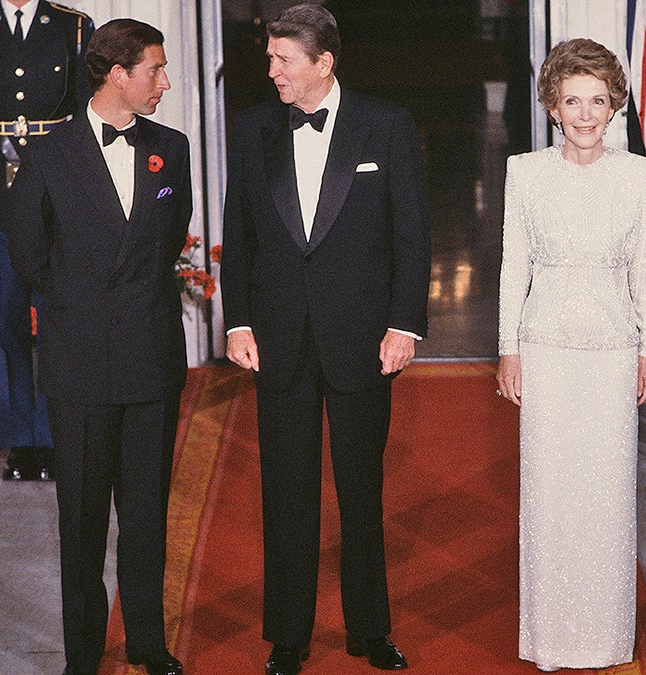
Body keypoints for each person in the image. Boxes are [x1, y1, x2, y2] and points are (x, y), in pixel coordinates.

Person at [219, 5, 429, 674]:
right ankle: (288, 633)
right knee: (285, 490)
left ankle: (372, 627)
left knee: (361, 489)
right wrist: (239, 319)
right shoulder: (252, 128)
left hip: (364, 339)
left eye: (283, 59)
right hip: (277, 338)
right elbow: (240, 236)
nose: (271, 69)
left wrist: (406, 323)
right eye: (272, 57)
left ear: (323, 64)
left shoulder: (386, 125)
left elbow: (411, 235)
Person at [6, 18, 189, 675]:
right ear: (118, 74)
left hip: (150, 360)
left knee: (145, 518)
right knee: (81, 524)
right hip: (79, 363)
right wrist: (85, 303)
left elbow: (169, 240)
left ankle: (148, 641)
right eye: (154, 71)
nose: (164, 82)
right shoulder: (48, 155)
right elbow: (27, 253)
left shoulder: (173, 147)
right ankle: (83, 652)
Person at [496, 38, 646, 673]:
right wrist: (508, 348)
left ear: (615, 104)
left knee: (608, 494)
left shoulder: (638, 174)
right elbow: (516, 266)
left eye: (597, 100)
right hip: (545, 348)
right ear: (553, 107)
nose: (586, 114)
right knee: (549, 493)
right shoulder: (525, 172)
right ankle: (551, 639)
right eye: (573, 101)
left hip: (613, 348)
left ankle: (605, 638)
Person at [0, 0, 94, 482]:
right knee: (4, 319)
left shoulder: (73, 26)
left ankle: (58, 434)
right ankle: (21, 441)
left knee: (59, 318)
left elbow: (87, 113)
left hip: (56, 182)